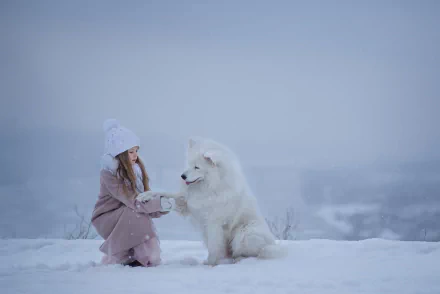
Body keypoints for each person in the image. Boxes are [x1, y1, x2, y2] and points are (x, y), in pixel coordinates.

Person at [91, 119, 174, 267]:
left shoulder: (135, 170)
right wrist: (159, 203)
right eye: (131, 152)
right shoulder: (109, 173)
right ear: (120, 153)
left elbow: (145, 203)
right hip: (106, 218)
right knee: (135, 212)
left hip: (126, 213)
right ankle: (119, 257)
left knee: (137, 213)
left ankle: (133, 257)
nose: (135, 155)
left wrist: (165, 206)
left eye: (136, 150)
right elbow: (134, 201)